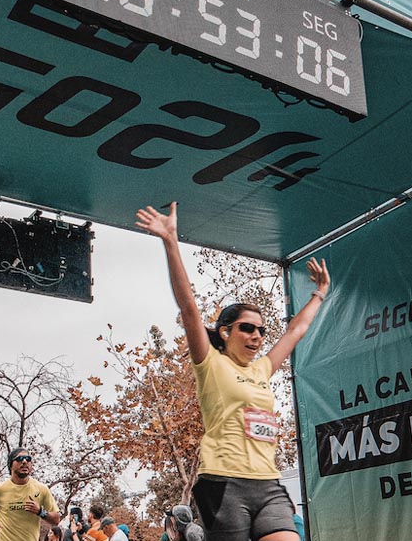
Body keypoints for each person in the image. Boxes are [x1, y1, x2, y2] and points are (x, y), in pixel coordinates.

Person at [135, 203, 329, 541]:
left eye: (260, 331)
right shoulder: (211, 364)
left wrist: (319, 294)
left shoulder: (262, 370)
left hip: (267, 485)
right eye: (247, 328)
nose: (256, 336)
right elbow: (190, 309)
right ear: (225, 331)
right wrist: (170, 240)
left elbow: (295, 332)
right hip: (224, 485)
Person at [0, 448, 62, 541]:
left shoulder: (41, 489)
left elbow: (56, 519)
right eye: (20, 459)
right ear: (11, 465)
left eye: (28, 459)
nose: (24, 461)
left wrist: (40, 512)